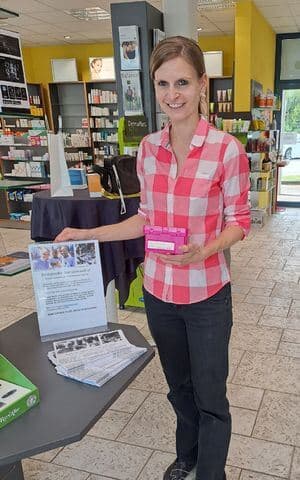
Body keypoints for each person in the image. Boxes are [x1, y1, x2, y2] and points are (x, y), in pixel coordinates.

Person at [55, 36, 250, 480]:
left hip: (207, 296)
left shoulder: (226, 150)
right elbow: (144, 220)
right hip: (160, 294)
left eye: (182, 82)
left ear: (203, 84)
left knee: (210, 394)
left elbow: (239, 220)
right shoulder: (147, 149)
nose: (172, 94)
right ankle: (188, 456)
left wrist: (207, 248)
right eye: (163, 83)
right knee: (179, 388)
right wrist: (88, 233)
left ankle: (210, 473)